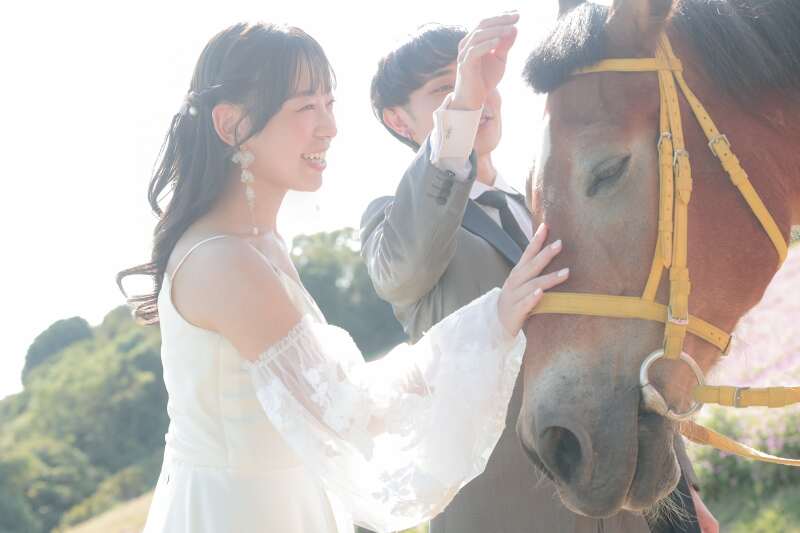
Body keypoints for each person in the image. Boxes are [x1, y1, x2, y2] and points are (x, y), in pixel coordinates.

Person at [117, 22, 569, 533]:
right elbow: (350, 410)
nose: (329, 127)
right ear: (231, 126)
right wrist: (495, 320)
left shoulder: (259, 245)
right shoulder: (222, 261)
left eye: (329, 104)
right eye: (306, 107)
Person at [362, 14, 717, 533]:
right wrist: (463, 101)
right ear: (399, 121)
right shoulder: (393, 224)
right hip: (509, 512)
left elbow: (623, 345)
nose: (482, 94)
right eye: (449, 87)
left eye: (486, 80)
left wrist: (683, 493)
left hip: (625, 508)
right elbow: (402, 271)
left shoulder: (553, 203)